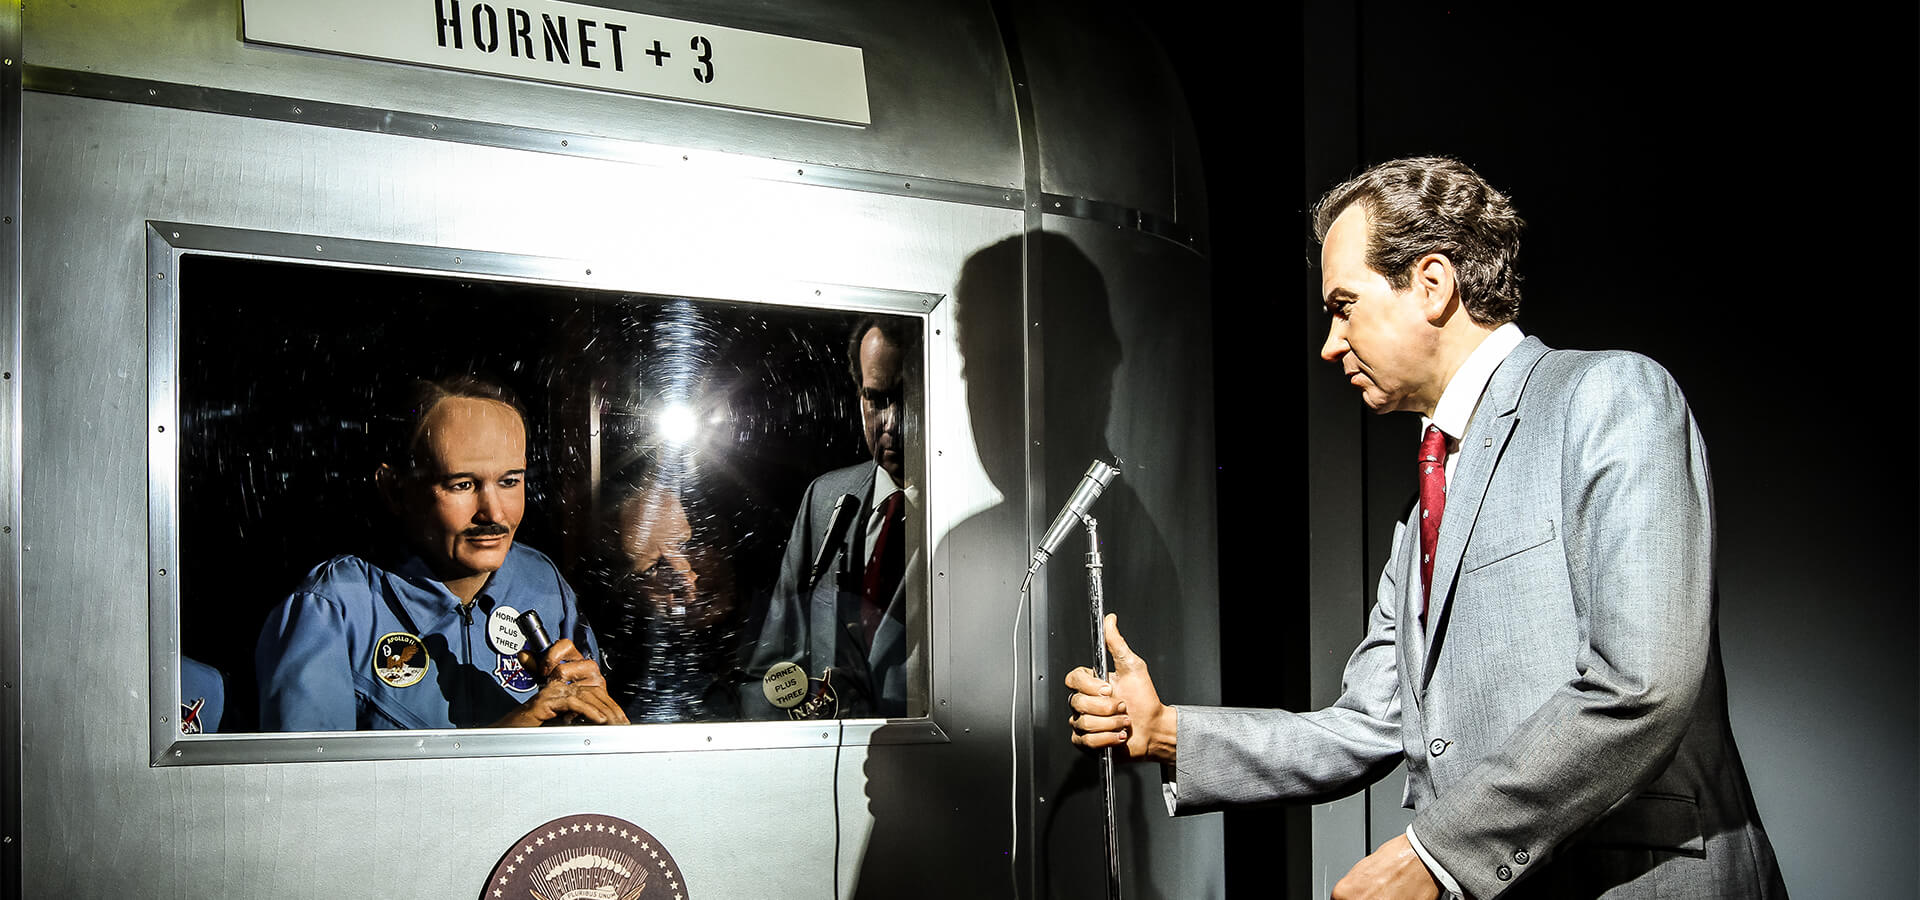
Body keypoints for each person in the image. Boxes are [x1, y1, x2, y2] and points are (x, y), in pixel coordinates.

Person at [1066, 157, 1785, 899]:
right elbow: (1365, 723)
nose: (1329, 343)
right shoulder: (1419, 521)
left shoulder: (1610, 396)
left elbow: (1643, 685)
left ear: (1433, 285)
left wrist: (1434, 853)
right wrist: (1165, 732)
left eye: (1344, 306)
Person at [256, 375, 628, 731]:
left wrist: (591, 729)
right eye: (462, 484)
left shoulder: (542, 584)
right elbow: (311, 791)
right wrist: (507, 740)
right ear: (395, 489)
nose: (494, 514)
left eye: (510, 481)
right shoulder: (334, 610)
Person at [740, 317, 921, 718]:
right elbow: (770, 666)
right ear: (858, 395)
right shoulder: (825, 498)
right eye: (876, 399)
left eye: (909, 400)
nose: (890, 424)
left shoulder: (969, 520)